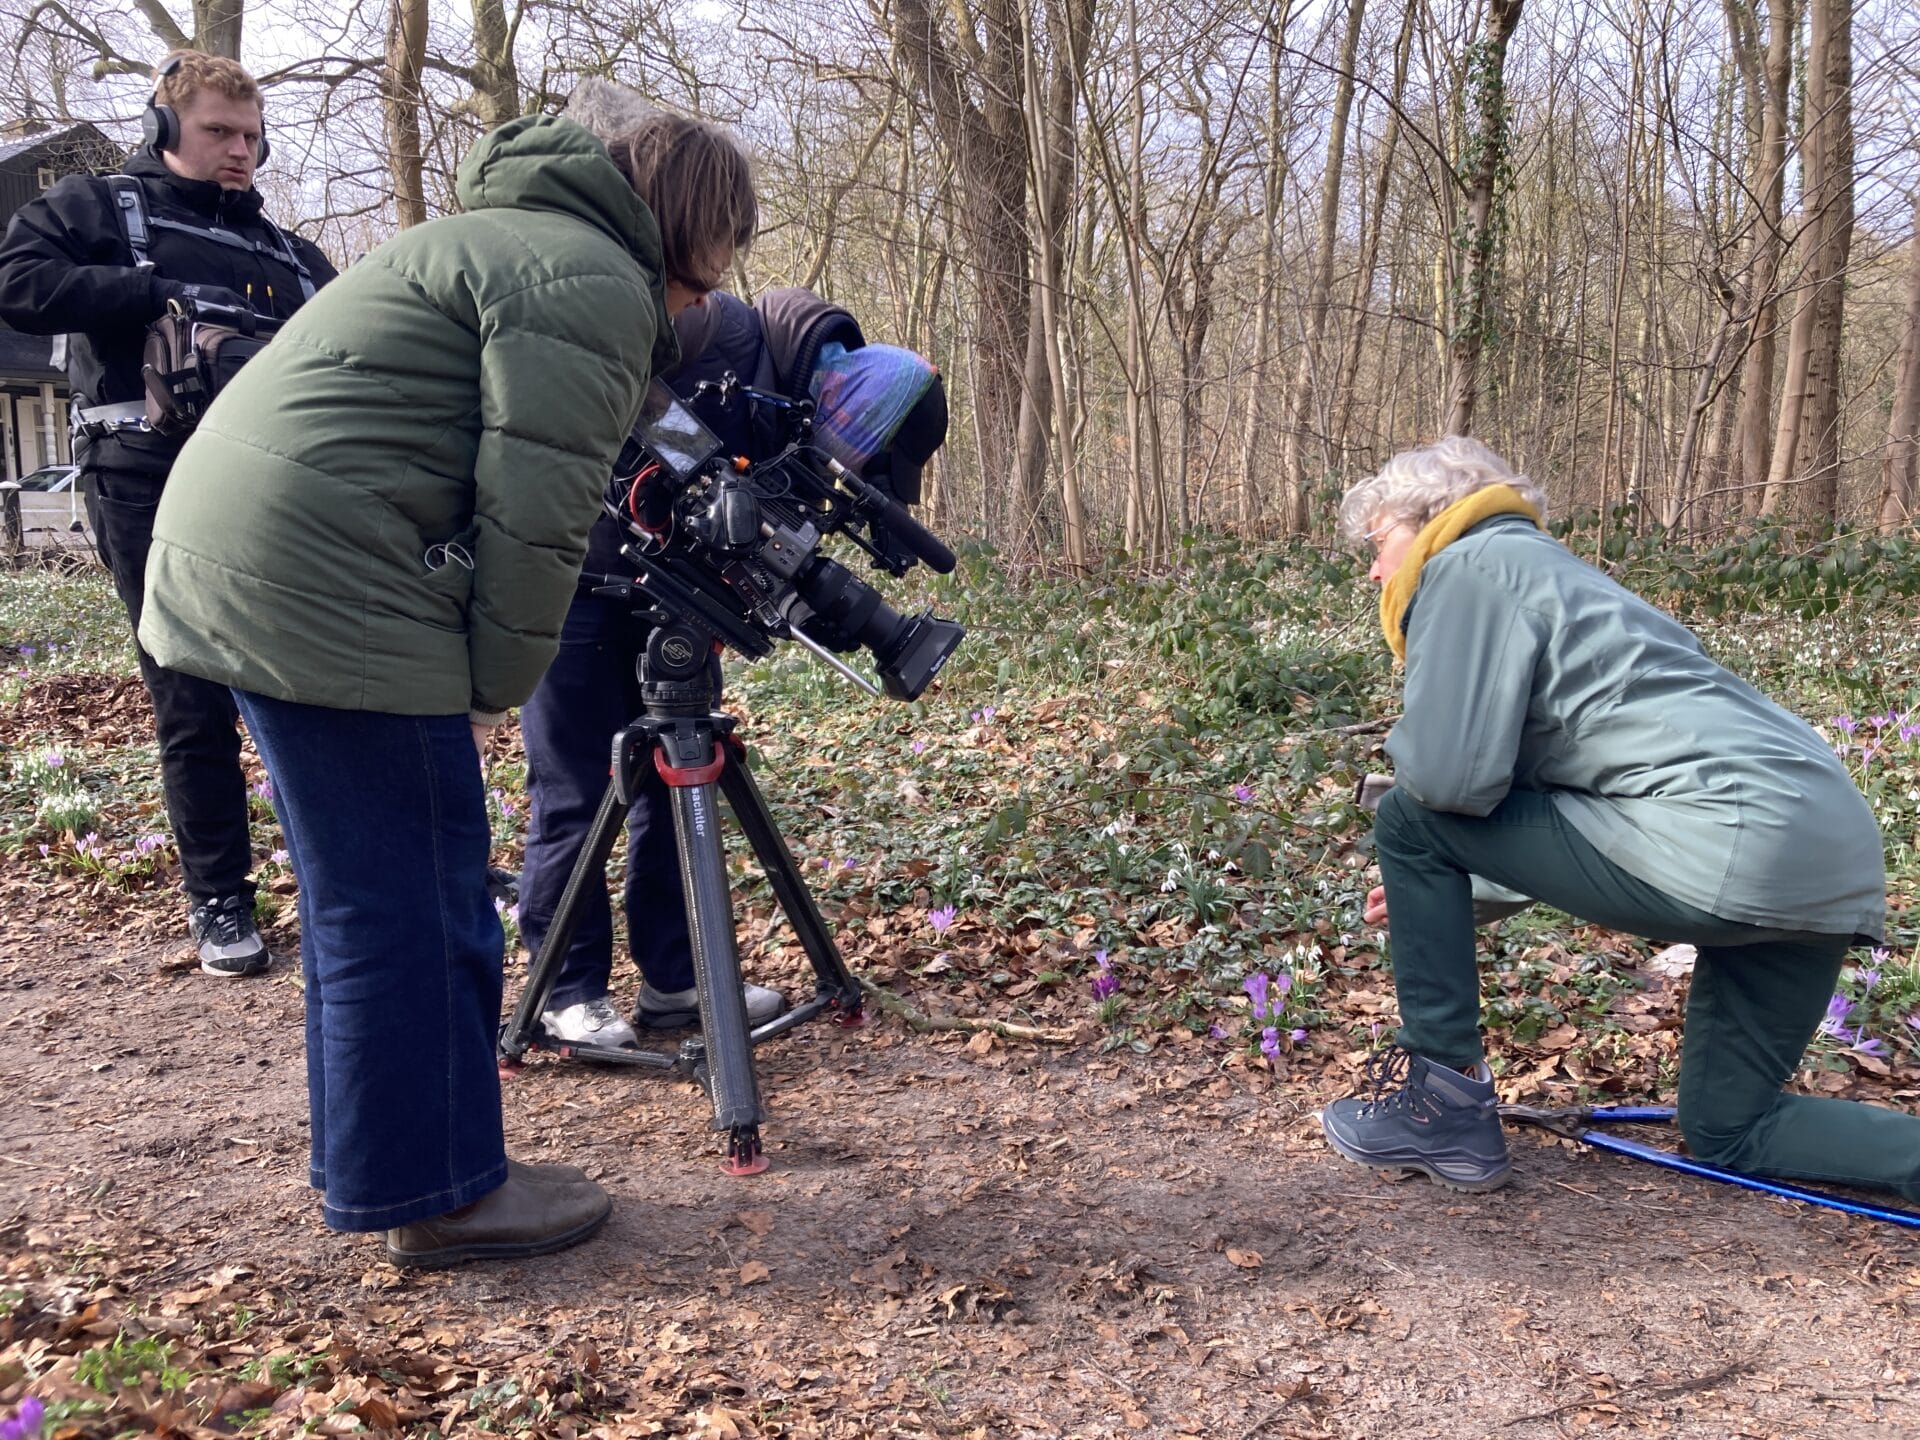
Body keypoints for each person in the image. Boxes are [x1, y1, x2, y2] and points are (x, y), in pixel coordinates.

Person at [135, 106, 757, 1267]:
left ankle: (388, 1170)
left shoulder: (501, 237)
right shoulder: (588, 280)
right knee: (419, 905)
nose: (712, 286)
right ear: (691, 230)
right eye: (720, 250)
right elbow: (538, 518)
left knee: (364, 902)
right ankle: (443, 1194)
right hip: (326, 576)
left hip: (255, 552)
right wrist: (491, 684)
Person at [1318, 435, 1920, 1201]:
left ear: (1428, 518)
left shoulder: (1468, 566)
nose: (1374, 570)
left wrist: (1428, 849)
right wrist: (1469, 895)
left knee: (1405, 816)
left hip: (1725, 843)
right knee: (1730, 1130)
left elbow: (1443, 784)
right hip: (1825, 856)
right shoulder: (1572, 587)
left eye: (1378, 544)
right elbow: (1590, 798)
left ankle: (1441, 1105)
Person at [522, 287, 948, 1050]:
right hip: (573, 579)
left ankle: (677, 978)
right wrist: (706, 474)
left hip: (674, 599)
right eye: (856, 445)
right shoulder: (707, 326)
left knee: (676, 782)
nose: (843, 457)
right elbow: (617, 400)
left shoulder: (788, 403)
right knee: (575, 788)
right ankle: (568, 989)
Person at [0, 50, 336, 977]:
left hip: (277, 485)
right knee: (190, 691)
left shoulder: (288, 253)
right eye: (219, 132)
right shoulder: (99, 210)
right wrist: (152, 292)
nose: (240, 152)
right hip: (146, 474)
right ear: (162, 128)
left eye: (253, 137)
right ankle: (221, 897)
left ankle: (341, 872)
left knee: (316, 682)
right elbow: (17, 282)